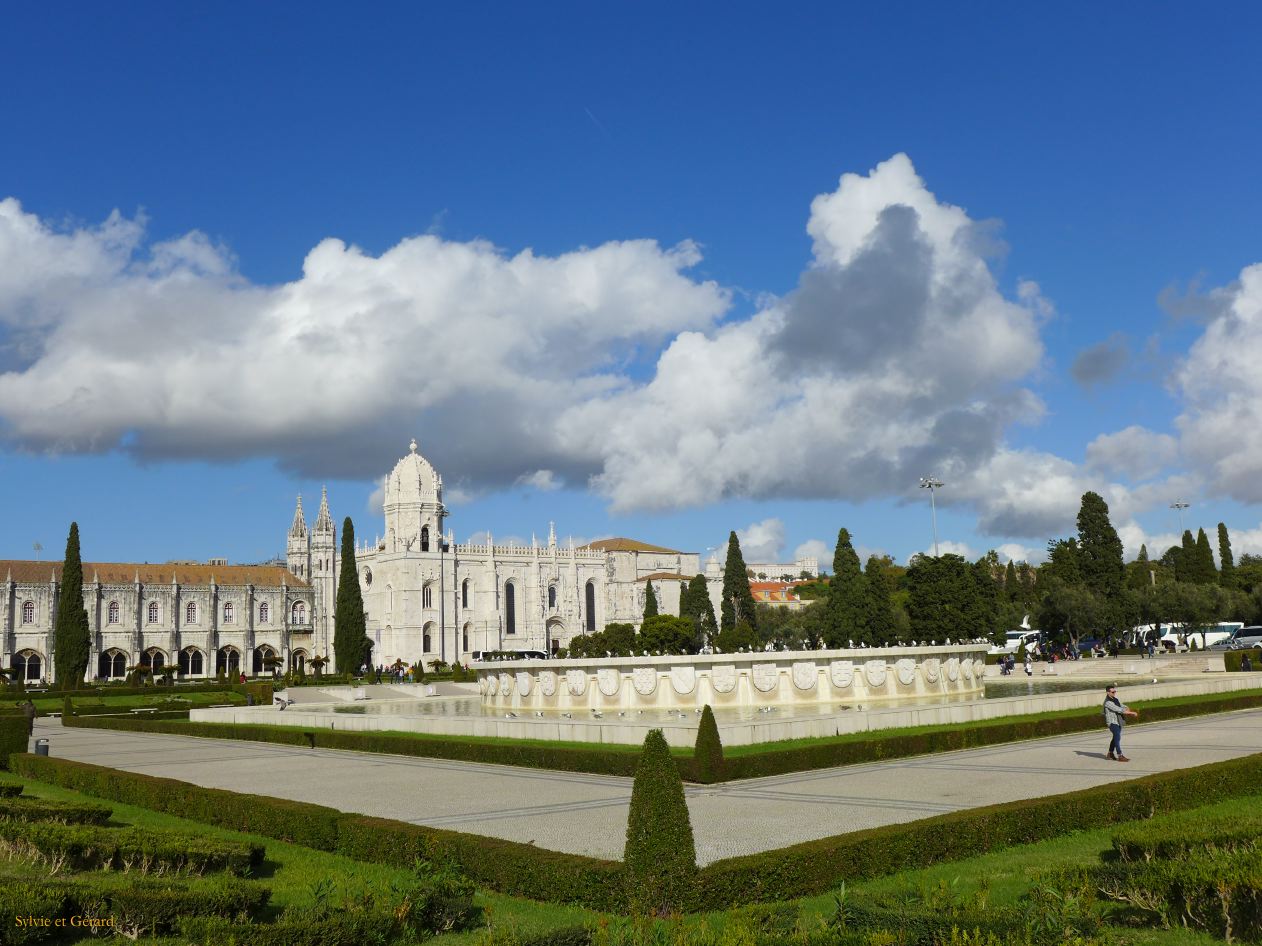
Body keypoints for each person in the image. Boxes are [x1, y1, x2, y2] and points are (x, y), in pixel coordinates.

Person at [1103, 684, 1139, 761]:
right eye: (1112, 692)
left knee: (1115, 737)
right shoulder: (1108, 702)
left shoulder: (1115, 700)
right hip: (1112, 723)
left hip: (1118, 721)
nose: (1114, 693)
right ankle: (1120, 755)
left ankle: (1110, 753)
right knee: (1117, 737)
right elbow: (1118, 709)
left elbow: (1122, 706)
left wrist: (1127, 708)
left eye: (1115, 691)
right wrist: (1131, 713)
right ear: (1107, 692)